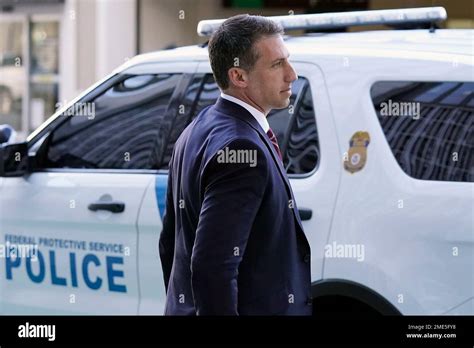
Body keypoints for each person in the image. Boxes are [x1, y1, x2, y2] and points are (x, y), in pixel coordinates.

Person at [159, 14, 312, 315]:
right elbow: (212, 266)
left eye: (288, 60)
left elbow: (169, 245)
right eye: (277, 64)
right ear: (239, 76)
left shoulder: (196, 129)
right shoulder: (242, 150)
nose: (292, 74)